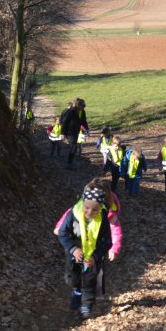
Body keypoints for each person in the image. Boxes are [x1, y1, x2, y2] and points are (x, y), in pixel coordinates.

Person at [54, 176, 122, 298]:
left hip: (97, 247)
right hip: (81, 244)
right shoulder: (80, 207)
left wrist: (114, 248)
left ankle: (94, 294)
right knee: (76, 268)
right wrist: (59, 227)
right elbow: (68, 216)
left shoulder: (109, 214)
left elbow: (115, 231)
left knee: (96, 270)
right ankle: (78, 289)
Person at [58, 186, 114, 319]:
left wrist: (95, 256)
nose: (90, 212)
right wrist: (73, 249)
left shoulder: (103, 219)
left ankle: (87, 305)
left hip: (93, 254)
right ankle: (77, 291)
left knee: (90, 279)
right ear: (82, 203)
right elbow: (63, 233)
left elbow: (107, 241)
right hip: (74, 252)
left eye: (95, 209)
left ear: (100, 209)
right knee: (72, 277)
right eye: (87, 207)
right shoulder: (73, 214)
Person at [60, 98, 88, 169]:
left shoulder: (82, 111)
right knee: (73, 146)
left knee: (75, 147)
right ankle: (69, 164)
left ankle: (71, 161)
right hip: (69, 132)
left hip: (77, 131)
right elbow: (64, 122)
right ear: (78, 105)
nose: (84, 106)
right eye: (83, 105)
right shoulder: (71, 111)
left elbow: (84, 121)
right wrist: (62, 133)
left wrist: (86, 129)